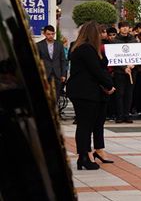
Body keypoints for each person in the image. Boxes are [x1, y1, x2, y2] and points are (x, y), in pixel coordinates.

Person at [66, 21, 116, 171]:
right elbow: (97, 70)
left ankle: (85, 156)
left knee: (85, 125)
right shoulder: (87, 49)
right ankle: (83, 157)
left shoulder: (81, 47)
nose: (103, 35)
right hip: (84, 92)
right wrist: (109, 85)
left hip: (83, 91)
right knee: (85, 126)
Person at [38, 25, 68, 106]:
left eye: (52, 34)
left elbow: (63, 60)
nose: (51, 36)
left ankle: (55, 111)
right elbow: (38, 61)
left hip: (57, 74)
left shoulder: (59, 44)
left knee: (56, 95)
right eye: (48, 34)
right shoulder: (39, 45)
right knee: (45, 95)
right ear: (44, 34)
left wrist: (63, 74)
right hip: (45, 74)